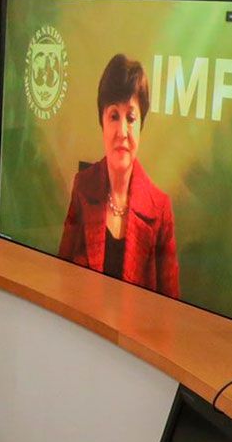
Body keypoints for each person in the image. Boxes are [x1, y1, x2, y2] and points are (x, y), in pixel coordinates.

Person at [57, 54, 181, 297]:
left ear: (141, 124)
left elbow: (170, 311)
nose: (122, 131)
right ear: (102, 122)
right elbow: (63, 279)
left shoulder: (160, 209)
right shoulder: (83, 186)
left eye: (131, 118)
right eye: (114, 115)